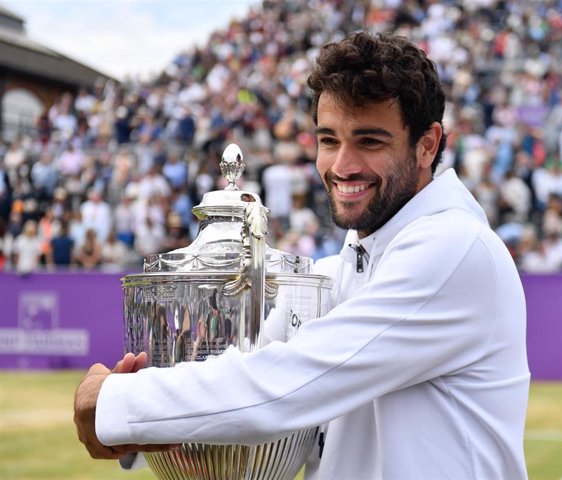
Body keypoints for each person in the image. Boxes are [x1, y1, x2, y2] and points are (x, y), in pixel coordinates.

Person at [74, 32, 529, 479]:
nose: (342, 165)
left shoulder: (455, 249)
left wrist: (120, 404)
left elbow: (286, 384)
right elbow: (254, 379)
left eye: (369, 141)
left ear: (427, 144)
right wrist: (148, 427)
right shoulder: (342, 269)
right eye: (329, 140)